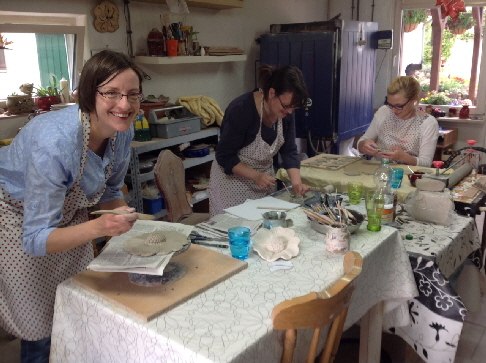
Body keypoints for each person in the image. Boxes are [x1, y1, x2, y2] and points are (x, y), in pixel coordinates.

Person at [0, 50, 144, 362]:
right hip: (17, 217)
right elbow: (36, 239)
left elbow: (110, 192)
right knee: (39, 325)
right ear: (90, 95)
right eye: (112, 94)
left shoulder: (123, 130)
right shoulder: (55, 142)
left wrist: (136, 232)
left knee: (75, 306)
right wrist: (99, 227)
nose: (125, 105)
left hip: (70, 215)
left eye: (133, 94)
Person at [208, 64, 310, 217]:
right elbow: (224, 156)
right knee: (237, 233)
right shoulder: (241, 109)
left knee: (264, 231)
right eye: (286, 106)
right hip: (232, 184)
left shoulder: (286, 113)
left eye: (293, 108)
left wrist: (296, 183)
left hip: (263, 182)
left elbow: (289, 151)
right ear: (272, 93)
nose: (289, 112)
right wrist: (255, 176)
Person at [357, 76, 439, 167]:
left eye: (399, 106)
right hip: (378, 171)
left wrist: (404, 157)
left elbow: (426, 163)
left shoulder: (428, 123)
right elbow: (362, 141)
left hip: (407, 176)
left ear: (414, 100)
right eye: (390, 105)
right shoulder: (384, 112)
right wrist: (363, 145)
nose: (393, 110)